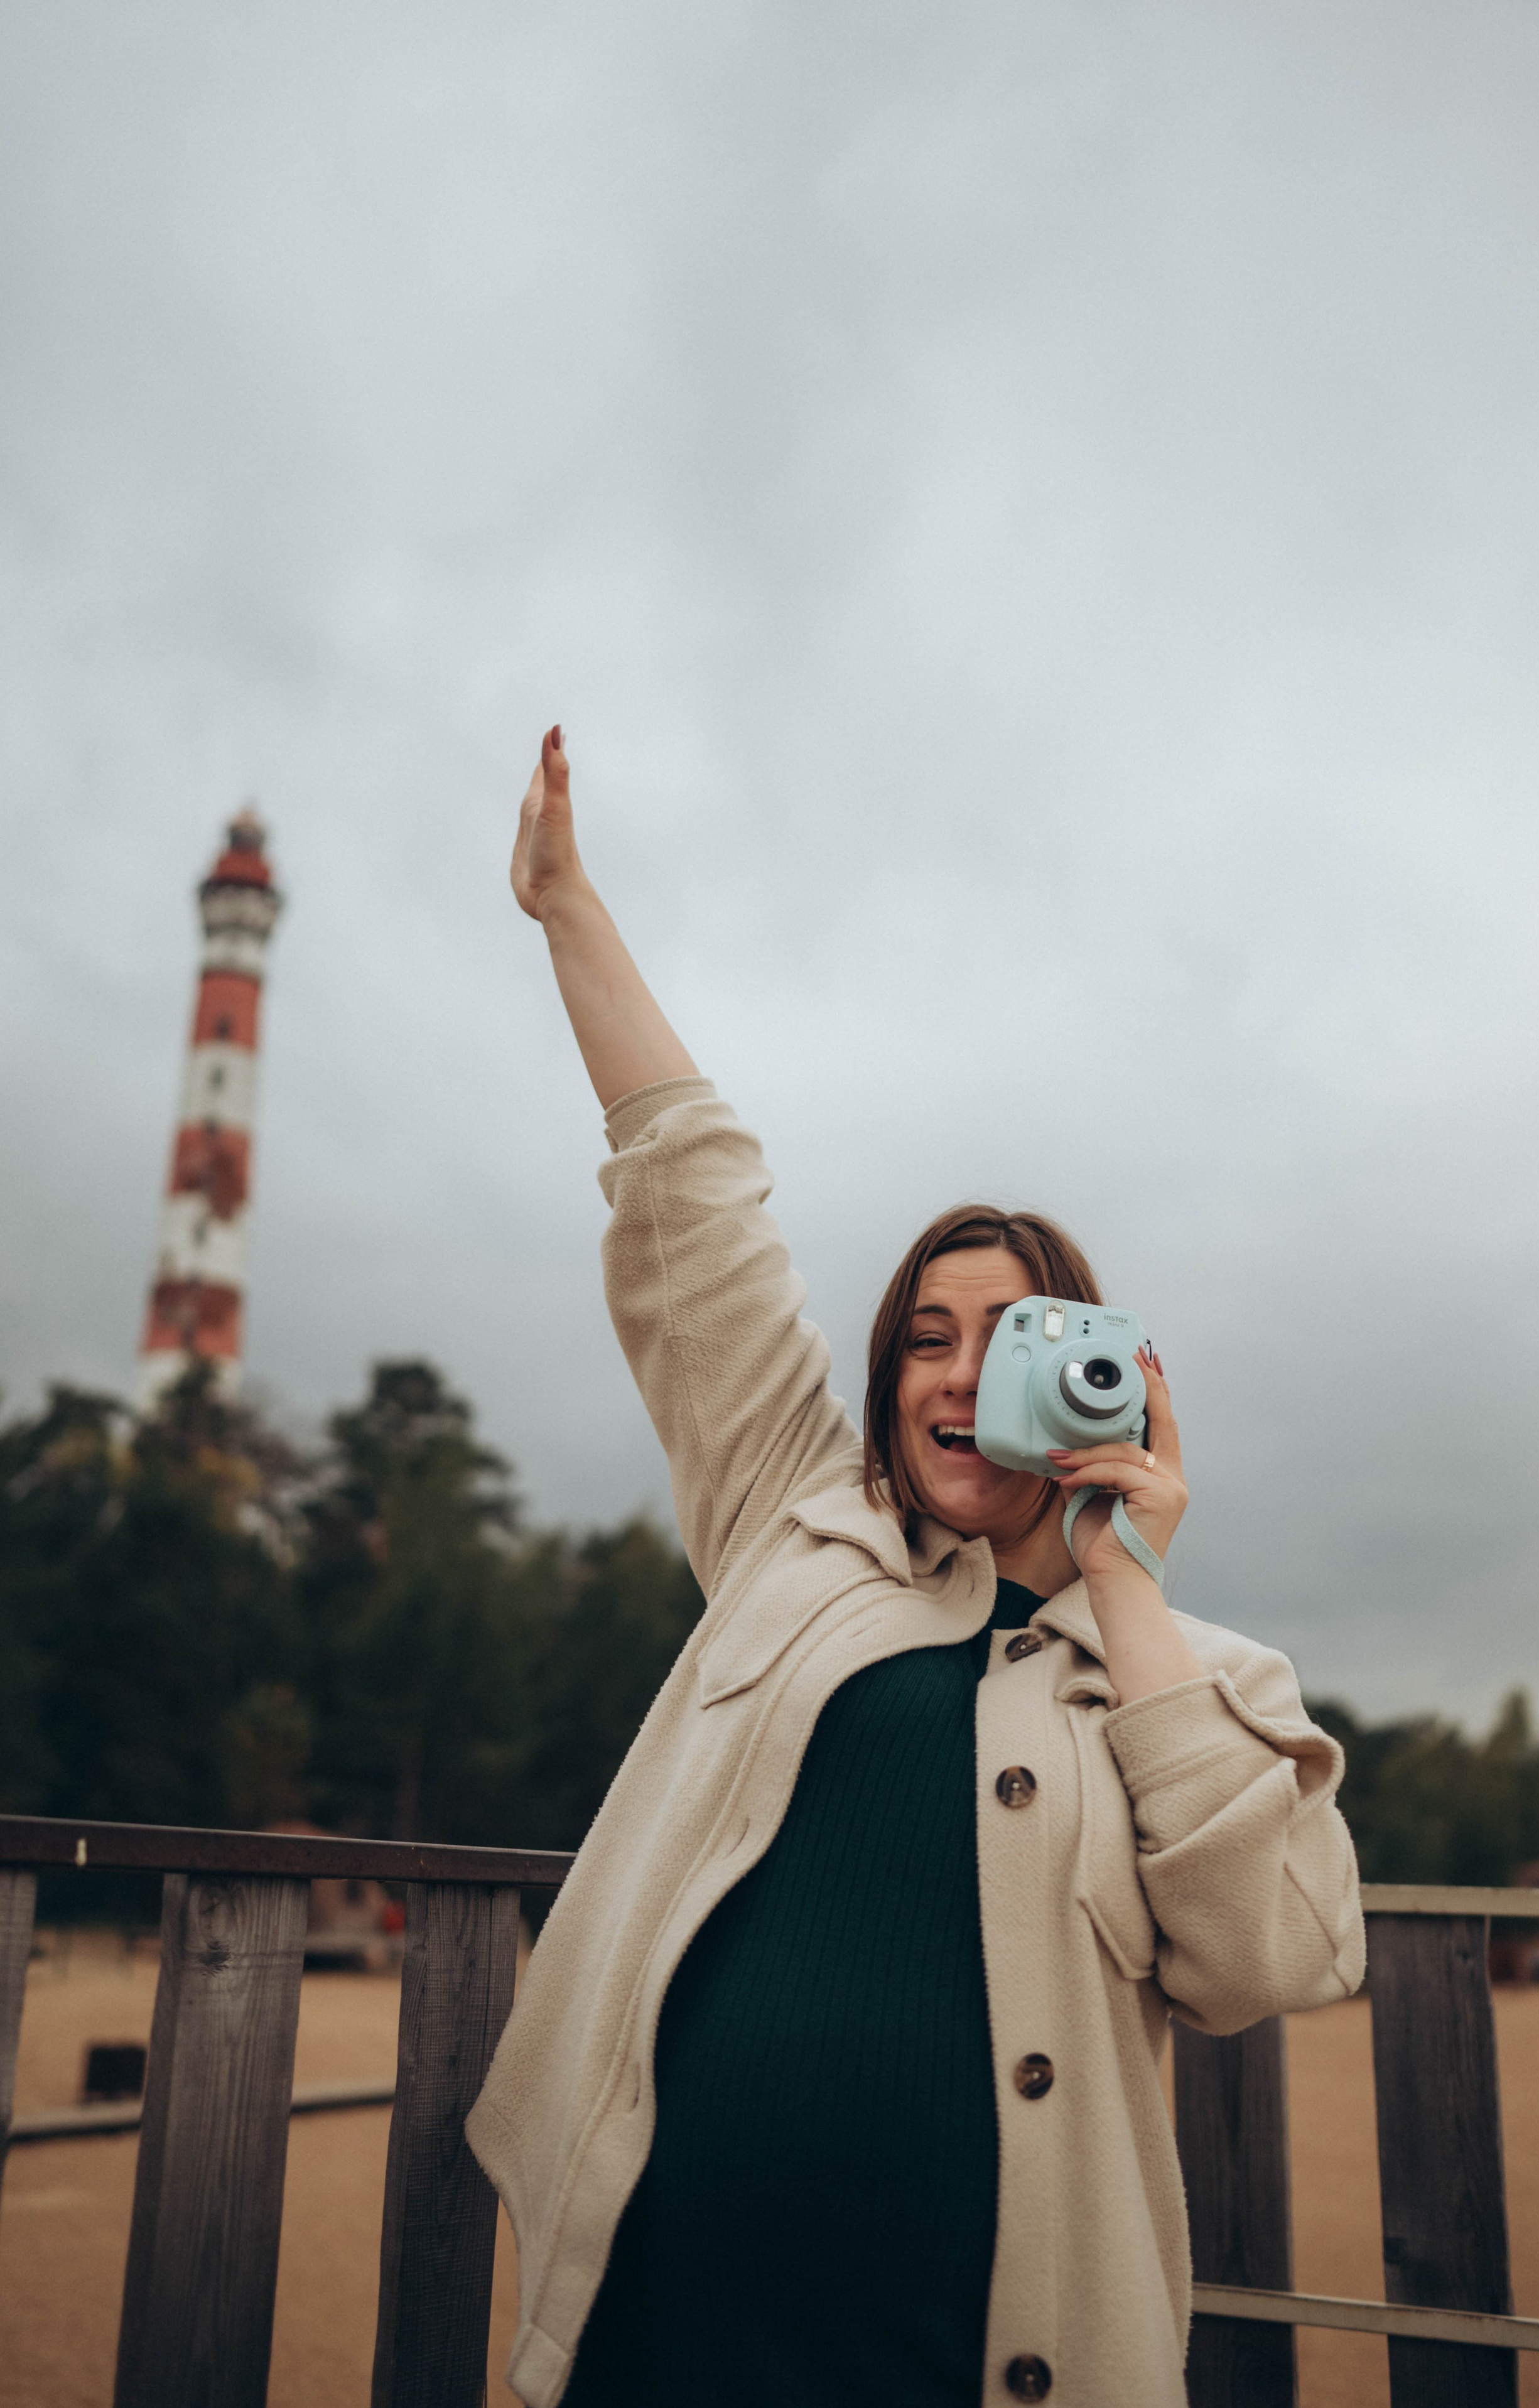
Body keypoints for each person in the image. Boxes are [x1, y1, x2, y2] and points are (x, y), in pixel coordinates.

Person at [467, 726, 1364, 2408]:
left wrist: (1123, 1577)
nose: (960, 1372)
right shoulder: (796, 1522)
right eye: (926, 1337)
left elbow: (1256, 1959)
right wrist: (567, 906)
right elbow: (695, 1205)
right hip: (672, 2318)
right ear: (886, 1381)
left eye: (1015, 1339)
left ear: (1103, 1382)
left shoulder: (1203, 1682)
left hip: (974, 2361)